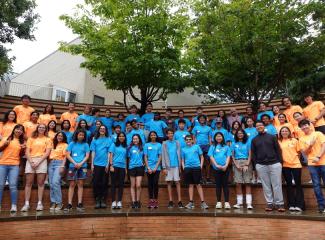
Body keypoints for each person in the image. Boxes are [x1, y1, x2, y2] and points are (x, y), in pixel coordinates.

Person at [251, 121, 285, 212]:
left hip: (274, 163)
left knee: (277, 184)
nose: (259, 127)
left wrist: (280, 162)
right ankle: (270, 203)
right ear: (256, 128)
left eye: (260, 125)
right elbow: (253, 154)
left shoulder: (272, 137)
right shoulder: (254, 140)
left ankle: (279, 203)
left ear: (264, 126)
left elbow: (278, 150)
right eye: (257, 126)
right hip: (261, 165)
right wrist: (256, 165)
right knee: (266, 185)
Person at [21, 124, 52, 212]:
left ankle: (39, 203)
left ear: (45, 129)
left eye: (43, 128)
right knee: (28, 183)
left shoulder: (48, 139)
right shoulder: (31, 138)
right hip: (31, 160)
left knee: (40, 183)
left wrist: (38, 162)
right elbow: (27, 151)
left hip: (42, 160)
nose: (41, 129)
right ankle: (26, 204)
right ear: (37, 128)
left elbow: (47, 153)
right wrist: (31, 162)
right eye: (40, 127)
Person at [298, 119, 325, 213]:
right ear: (300, 128)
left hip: (323, 162)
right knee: (316, 185)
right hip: (312, 164)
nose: (304, 127)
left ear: (309, 125)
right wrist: (310, 145)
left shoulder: (318, 134)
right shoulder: (301, 139)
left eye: (305, 125)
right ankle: (321, 205)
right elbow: (305, 152)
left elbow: (324, 145)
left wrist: (318, 156)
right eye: (302, 126)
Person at [278, 126, 304, 212]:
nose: (284, 132)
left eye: (286, 131)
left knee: (298, 184)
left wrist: (294, 159)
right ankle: (291, 204)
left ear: (289, 132)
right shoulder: (279, 142)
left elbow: (299, 153)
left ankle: (300, 205)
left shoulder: (294, 140)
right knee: (289, 185)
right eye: (282, 131)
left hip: (296, 165)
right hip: (285, 165)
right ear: (280, 133)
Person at [0, 124, 25, 212]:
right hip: (2, 164)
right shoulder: (6, 138)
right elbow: (0, 149)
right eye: (17, 129)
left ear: (22, 132)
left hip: (14, 165)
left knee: (13, 185)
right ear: (14, 130)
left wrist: (23, 149)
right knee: (0, 185)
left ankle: (14, 205)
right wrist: (5, 145)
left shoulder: (22, 142)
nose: (19, 131)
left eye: (21, 130)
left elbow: (21, 155)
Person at [64, 129, 90, 212]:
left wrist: (81, 163)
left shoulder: (86, 144)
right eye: (80, 135)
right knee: (72, 184)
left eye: (82, 135)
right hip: (72, 166)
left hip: (83, 166)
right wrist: (75, 163)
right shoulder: (72, 143)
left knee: (80, 184)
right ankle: (69, 204)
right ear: (76, 135)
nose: (81, 136)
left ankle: (79, 203)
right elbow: (67, 155)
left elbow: (87, 156)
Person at [181, 134, 208, 209]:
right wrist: (184, 168)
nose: (188, 141)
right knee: (190, 185)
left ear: (192, 140)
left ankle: (203, 202)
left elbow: (202, 157)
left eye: (190, 139)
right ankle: (191, 203)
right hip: (188, 168)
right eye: (187, 140)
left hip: (196, 168)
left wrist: (200, 166)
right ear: (185, 141)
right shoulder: (183, 149)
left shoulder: (196, 147)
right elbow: (182, 160)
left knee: (198, 184)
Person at [208, 132, 232, 209]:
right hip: (216, 168)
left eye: (220, 136)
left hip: (225, 168)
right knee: (218, 185)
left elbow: (228, 157)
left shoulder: (226, 147)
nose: (219, 138)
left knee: (225, 185)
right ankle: (218, 202)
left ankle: (227, 202)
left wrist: (226, 165)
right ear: (215, 138)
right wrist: (216, 165)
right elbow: (211, 156)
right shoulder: (212, 146)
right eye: (217, 136)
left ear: (222, 137)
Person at [231, 130, 253, 209]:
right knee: (238, 183)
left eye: (241, 133)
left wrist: (247, 164)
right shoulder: (234, 143)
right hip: (237, 162)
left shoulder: (248, 142)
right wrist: (236, 164)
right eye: (238, 133)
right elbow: (232, 155)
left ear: (244, 134)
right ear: (236, 135)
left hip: (246, 161)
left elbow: (250, 154)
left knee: (247, 182)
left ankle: (249, 203)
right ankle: (239, 203)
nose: (240, 134)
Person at [90, 125, 112, 209]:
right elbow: (93, 152)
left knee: (104, 183)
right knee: (96, 182)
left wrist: (107, 164)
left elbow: (109, 153)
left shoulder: (109, 140)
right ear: (98, 130)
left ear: (106, 130)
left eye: (104, 129)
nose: (102, 130)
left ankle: (103, 200)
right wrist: (92, 164)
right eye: (101, 128)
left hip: (105, 165)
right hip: (96, 164)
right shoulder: (94, 139)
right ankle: (97, 199)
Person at [162, 128, 183, 208]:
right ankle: (170, 201)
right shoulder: (164, 143)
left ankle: (179, 201)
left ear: (173, 134)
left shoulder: (177, 143)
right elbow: (163, 155)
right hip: (168, 166)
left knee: (177, 182)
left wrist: (180, 166)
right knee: (169, 183)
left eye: (171, 133)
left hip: (176, 165)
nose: (170, 134)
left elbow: (180, 155)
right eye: (169, 133)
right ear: (167, 135)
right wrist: (164, 167)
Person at [48, 131, 68, 211]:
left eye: (61, 136)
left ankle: (59, 203)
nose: (59, 137)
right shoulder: (52, 144)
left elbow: (65, 157)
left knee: (56, 182)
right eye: (58, 136)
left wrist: (62, 166)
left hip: (59, 164)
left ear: (63, 138)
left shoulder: (65, 145)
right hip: (51, 163)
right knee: (51, 184)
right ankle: (53, 202)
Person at [109, 132, 128, 209]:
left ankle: (119, 201)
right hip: (115, 166)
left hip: (122, 167)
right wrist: (111, 165)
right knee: (113, 184)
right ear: (118, 137)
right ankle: (113, 201)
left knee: (121, 185)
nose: (121, 137)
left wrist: (126, 168)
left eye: (123, 136)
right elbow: (111, 155)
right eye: (120, 136)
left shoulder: (125, 146)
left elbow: (126, 158)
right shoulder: (114, 145)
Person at [191, 115, 212, 183]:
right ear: (198, 120)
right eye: (201, 119)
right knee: (200, 162)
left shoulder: (209, 128)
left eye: (203, 118)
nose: (202, 119)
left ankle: (208, 177)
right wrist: (194, 146)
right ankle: (201, 177)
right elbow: (193, 137)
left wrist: (210, 146)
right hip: (198, 146)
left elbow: (210, 138)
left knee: (207, 162)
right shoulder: (195, 127)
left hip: (206, 146)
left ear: (205, 120)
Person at [144, 131, 162, 208]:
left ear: (156, 136)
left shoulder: (159, 145)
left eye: (154, 135)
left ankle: (155, 200)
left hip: (156, 167)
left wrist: (155, 167)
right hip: (148, 167)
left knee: (155, 183)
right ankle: (151, 200)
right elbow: (145, 156)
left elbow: (160, 156)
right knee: (150, 184)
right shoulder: (146, 145)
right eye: (151, 135)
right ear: (150, 136)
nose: (153, 136)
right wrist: (148, 167)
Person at [128, 134, 145, 208]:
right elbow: (128, 158)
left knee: (138, 185)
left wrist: (144, 163)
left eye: (136, 139)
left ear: (139, 140)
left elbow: (145, 157)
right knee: (132, 185)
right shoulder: (130, 148)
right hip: (132, 167)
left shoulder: (142, 148)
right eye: (134, 139)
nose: (135, 140)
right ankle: (133, 201)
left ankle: (138, 201)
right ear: (132, 140)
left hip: (140, 167)